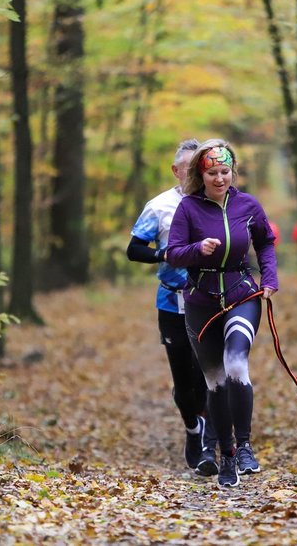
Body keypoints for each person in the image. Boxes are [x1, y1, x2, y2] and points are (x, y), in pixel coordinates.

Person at [165, 139, 279, 488]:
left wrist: (269, 279)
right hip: (201, 300)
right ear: (201, 175)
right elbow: (173, 253)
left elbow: (265, 242)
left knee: (236, 364)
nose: (219, 178)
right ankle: (226, 454)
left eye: (225, 171)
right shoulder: (188, 208)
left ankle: (244, 446)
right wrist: (197, 249)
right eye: (212, 173)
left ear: (233, 172)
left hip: (241, 293)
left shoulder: (248, 205)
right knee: (215, 381)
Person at [127, 138, 218, 476]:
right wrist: (162, 254)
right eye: (188, 168)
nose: (194, 173)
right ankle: (192, 428)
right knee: (183, 379)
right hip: (171, 300)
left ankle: (207, 442)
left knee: (207, 372)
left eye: (200, 167)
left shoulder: (216, 201)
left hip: (209, 300)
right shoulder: (159, 206)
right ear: (176, 171)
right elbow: (134, 249)